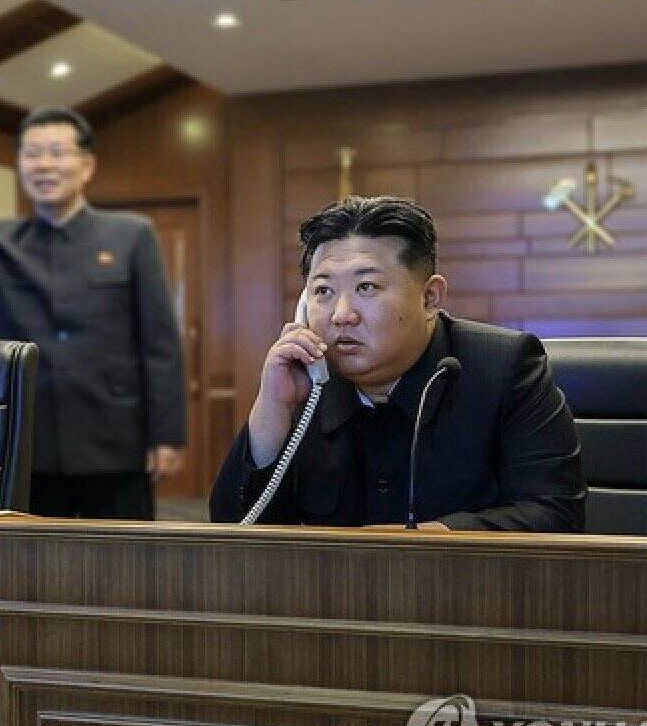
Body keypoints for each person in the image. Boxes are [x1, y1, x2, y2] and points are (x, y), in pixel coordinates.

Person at [210, 195, 585, 531]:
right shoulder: (306, 382)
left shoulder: (505, 367)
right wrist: (271, 411)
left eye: (366, 288)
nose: (341, 315)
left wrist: (422, 542)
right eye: (323, 291)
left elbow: (554, 515)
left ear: (430, 298)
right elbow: (231, 534)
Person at [0, 107, 186, 519]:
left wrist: (166, 434)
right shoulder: (4, 240)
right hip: (30, 440)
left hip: (114, 440)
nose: (44, 165)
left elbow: (160, 342)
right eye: (32, 154)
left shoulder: (132, 235)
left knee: (122, 566)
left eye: (57, 153)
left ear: (86, 165)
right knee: (35, 565)